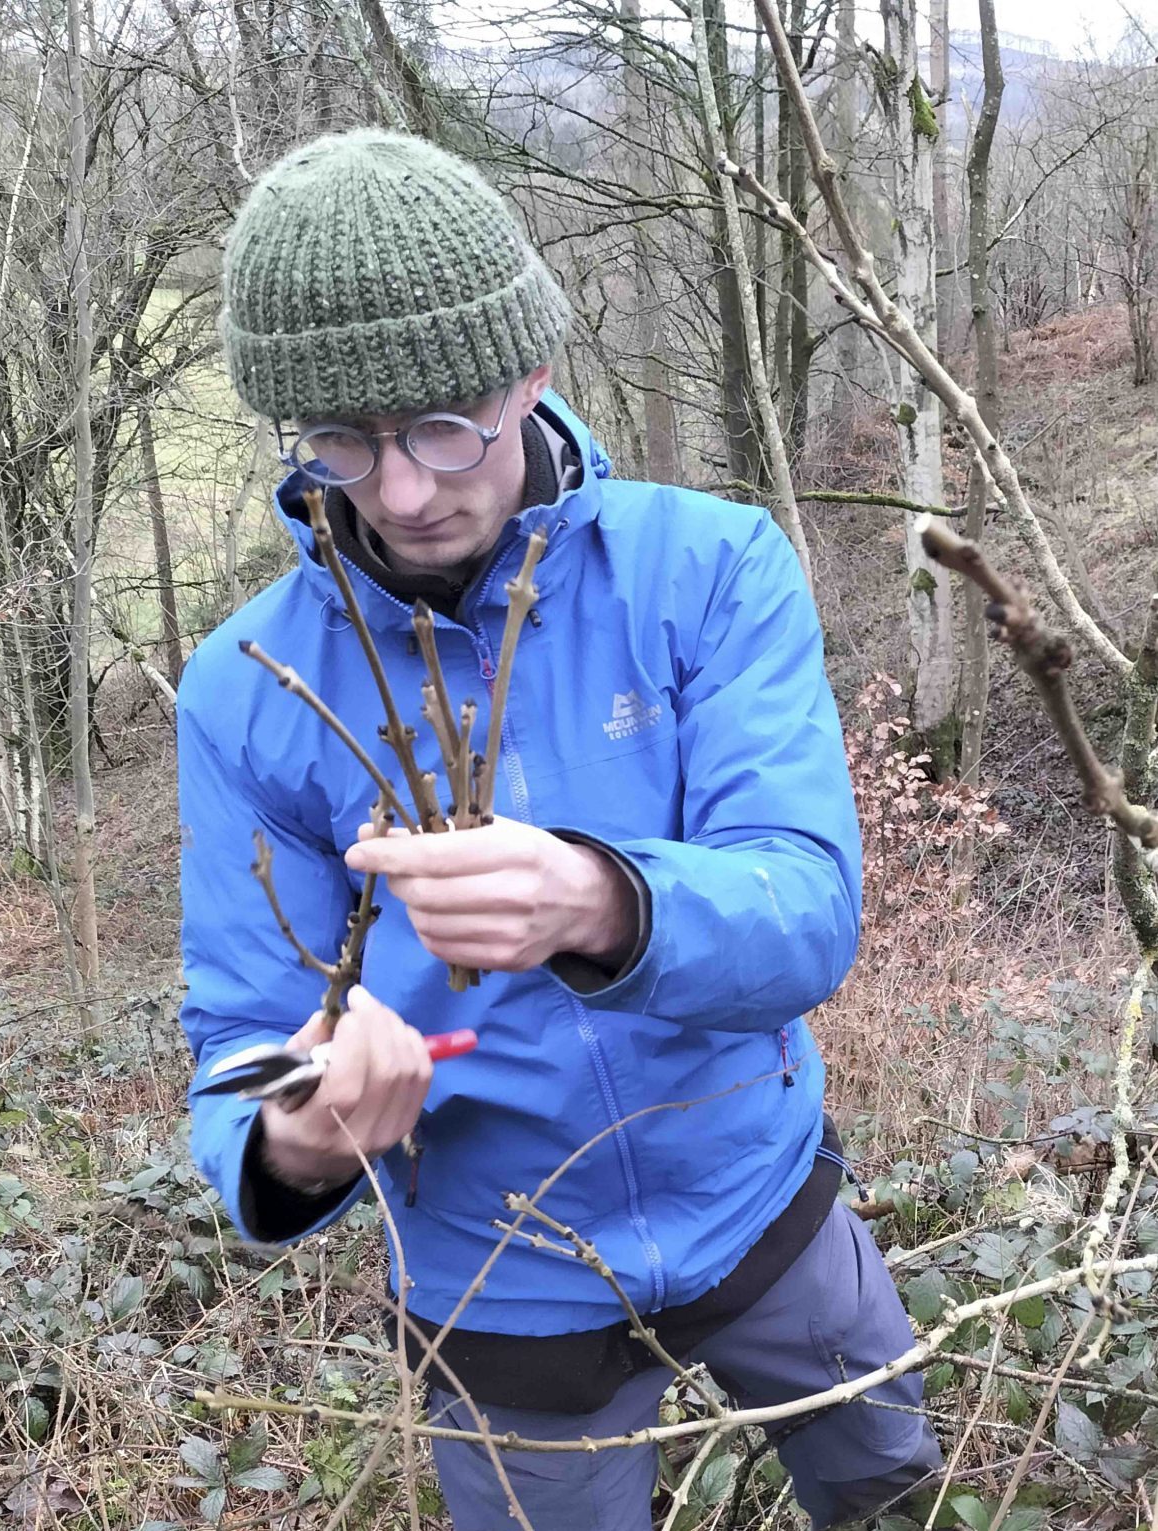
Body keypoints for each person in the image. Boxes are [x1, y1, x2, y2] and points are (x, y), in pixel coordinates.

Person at [176, 126, 941, 1529]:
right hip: (496, 1274)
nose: (403, 491)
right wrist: (298, 1137)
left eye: (446, 426)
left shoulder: (707, 568)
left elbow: (806, 910)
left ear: (533, 372)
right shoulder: (247, 689)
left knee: (891, 1492)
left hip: (762, 1199)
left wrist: (601, 901)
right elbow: (240, 1034)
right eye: (342, 442)